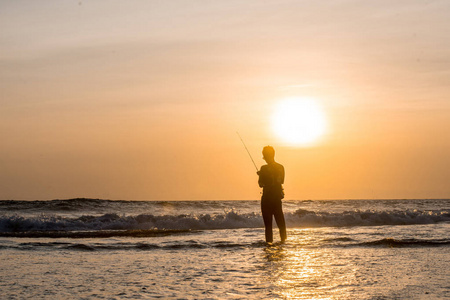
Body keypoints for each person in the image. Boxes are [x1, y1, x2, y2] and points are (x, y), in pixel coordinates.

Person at [257, 146, 287, 243]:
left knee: (268, 226)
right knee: (281, 224)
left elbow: (261, 184)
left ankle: (269, 244)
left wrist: (261, 175)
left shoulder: (264, 168)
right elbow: (281, 181)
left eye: (264, 156)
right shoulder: (280, 167)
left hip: (266, 199)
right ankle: (283, 243)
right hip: (277, 199)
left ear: (266, 156)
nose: (264, 158)